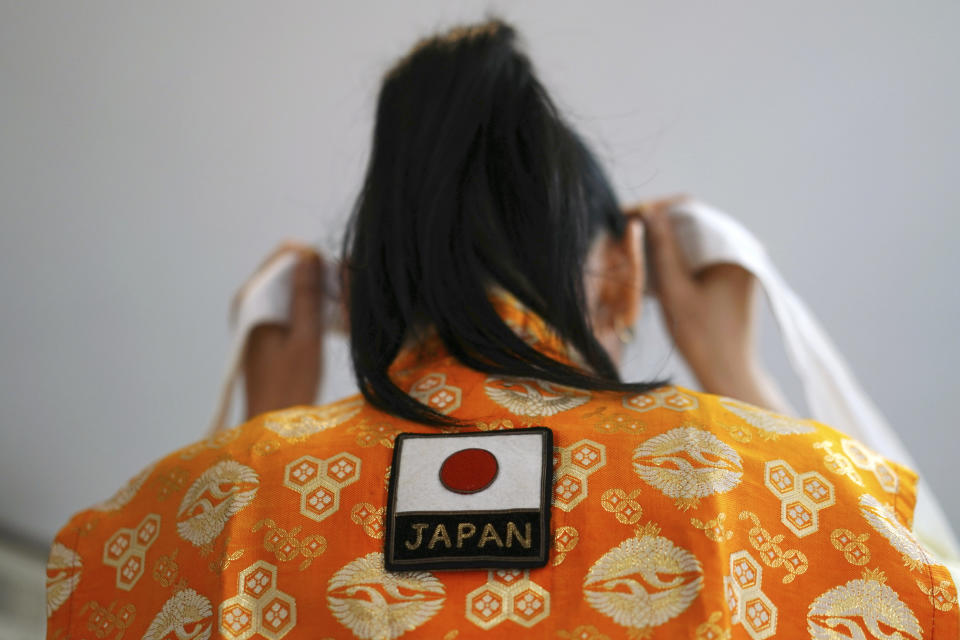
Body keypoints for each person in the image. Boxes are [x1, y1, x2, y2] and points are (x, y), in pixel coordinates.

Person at [46, 17, 957, 639]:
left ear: (356, 293)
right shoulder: (778, 486)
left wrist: (251, 438)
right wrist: (738, 374)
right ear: (626, 276)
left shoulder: (204, 505)